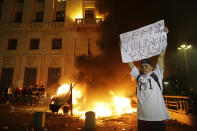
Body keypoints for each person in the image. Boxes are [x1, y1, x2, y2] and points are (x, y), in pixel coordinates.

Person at [128, 27, 170, 131]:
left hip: (157, 119)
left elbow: (161, 57)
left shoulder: (157, 74)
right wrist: (123, 48)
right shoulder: (138, 77)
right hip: (142, 119)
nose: (144, 67)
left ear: (152, 67)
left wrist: (164, 37)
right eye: (142, 65)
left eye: (146, 65)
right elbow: (130, 63)